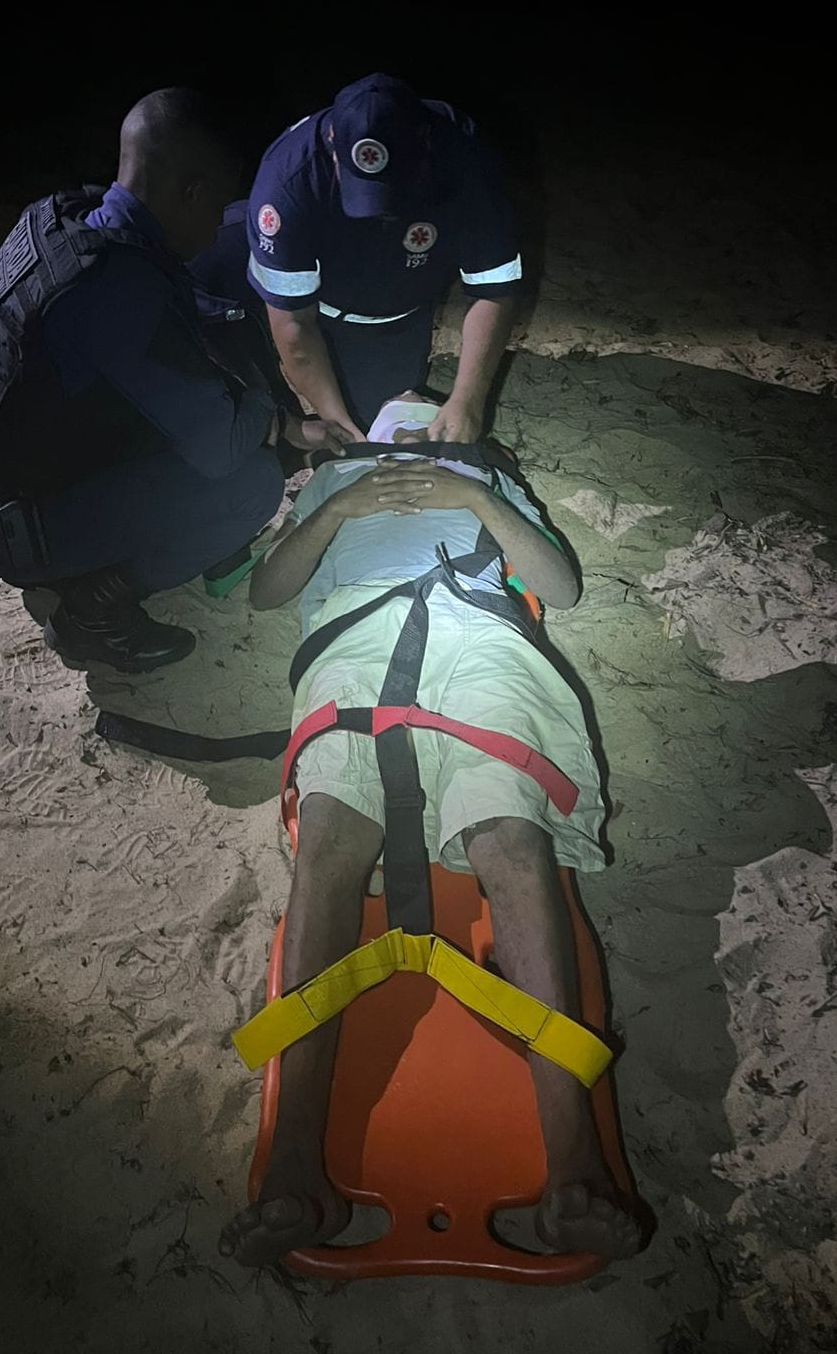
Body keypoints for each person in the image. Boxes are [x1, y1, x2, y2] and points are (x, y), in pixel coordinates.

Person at [219, 395, 643, 1267]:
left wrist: (479, 497)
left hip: (482, 637)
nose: (406, 441)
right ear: (366, 443)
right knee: (331, 841)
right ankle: (297, 1160)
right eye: (390, 433)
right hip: (358, 631)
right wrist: (340, 504)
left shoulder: (484, 476)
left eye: (425, 429)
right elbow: (267, 591)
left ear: (455, 439)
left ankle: (573, 1161)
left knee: (509, 837)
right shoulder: (335, 479)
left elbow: (559, 588)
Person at [0, 89, 338, 674]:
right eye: (216, 203)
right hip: (12, 523)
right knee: (251, 481)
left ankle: (76, 557)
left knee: (206, 422)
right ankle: (90, 614)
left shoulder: (63, 218)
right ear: (191, 193)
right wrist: (277, 417)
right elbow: (221, 445)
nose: (219, 222)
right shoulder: (121, 292)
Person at [245, 74, 525, 441]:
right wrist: (336, 423)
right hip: (320, 305)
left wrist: (469, 400)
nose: (383, 215)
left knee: (394, 412)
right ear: (332, 146)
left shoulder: (466, 161)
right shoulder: (288, 183)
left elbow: (494, 287)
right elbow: (293, 322)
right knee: (329, 430)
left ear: (426, 141)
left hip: (408, 303)